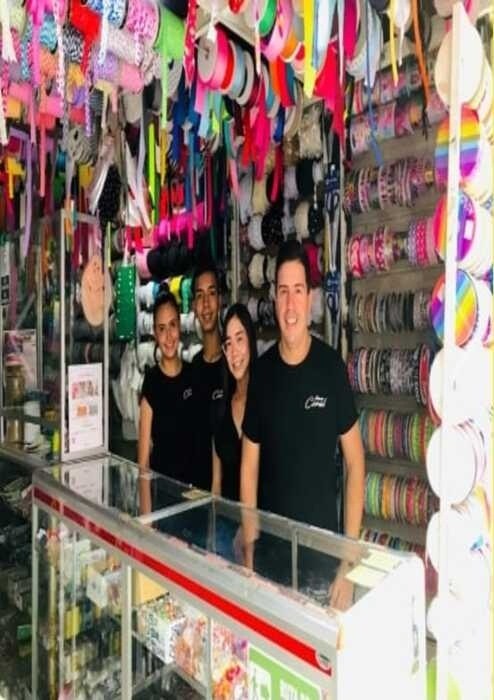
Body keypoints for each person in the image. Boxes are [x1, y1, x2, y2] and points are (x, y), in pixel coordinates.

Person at [240, 239, 365, 610]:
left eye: (298, 291)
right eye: (283, 292)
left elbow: (356, 463)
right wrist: (250, 551)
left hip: (323, 568)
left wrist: (348, 563)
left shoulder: (331, 369)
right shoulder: (262, 375)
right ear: (274, 299)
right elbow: (248, 468)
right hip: (269, 565)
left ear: (311, 299)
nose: (290, 305)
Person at [137, 290, 194, 484]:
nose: (169, 336)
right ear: (155, 333)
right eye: (162, 329)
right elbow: (143, 461)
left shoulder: (193, 374)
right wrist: (146, 503)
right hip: (163, 493)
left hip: (196, 493)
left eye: (172, 325)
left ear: (180, 326)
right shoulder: (152, 381)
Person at [212, 303, 257, 501]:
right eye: (228, 344)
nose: (234, 352)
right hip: (227, 517)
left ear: (251, 342)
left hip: (262, 517)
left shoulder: (266, 400)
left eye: (239, 339)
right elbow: (216, 484)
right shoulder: (220, 407)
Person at [190, 260, 224, 490]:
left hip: (229, 498)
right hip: (197, 493)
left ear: (220, 300)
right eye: (200, 296)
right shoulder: (193, 368)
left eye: (211, 294)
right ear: (193, 305)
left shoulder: (233, 365)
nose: (206, 304)